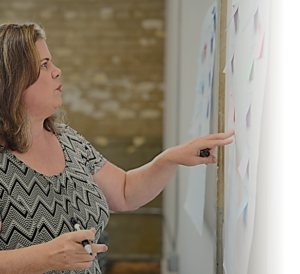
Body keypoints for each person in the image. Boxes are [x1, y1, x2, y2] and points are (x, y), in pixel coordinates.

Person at [0, 22, 234, 274]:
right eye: (44, 65)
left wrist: (170, 159)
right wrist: (46, 257)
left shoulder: (67, 140)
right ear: (14, 80)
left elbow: (124, 191)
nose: (57, 71)